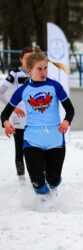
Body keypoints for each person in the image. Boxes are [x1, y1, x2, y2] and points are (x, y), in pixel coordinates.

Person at [1, 46, 75, 196]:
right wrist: (6, 123)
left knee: (53, 180)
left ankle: (51, 190)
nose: (44, 72)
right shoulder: (23, 90)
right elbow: (5, 114)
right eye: (39, 69)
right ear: (30, 70)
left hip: (54, 138)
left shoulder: (55, 86)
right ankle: (44, 203)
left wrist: (66, 122)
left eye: (45, 68)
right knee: (38, 183)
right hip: (32, 139)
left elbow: (70, 109)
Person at [0, 47, 32, 178]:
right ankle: (21, 181)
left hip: (34, 119)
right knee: (20, 150)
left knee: (33, 150)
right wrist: (13, 108)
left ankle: (35, 178)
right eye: (26, 58)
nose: (29, 61)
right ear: (21, 60)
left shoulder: (37, 73)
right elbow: (0, 93)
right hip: (18, 119)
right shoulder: (14, 74)